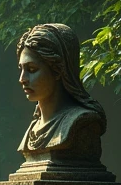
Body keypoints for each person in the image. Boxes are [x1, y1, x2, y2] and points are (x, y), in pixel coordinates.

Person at [16, 23, 107, 161]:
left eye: (32, 69)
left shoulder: (81, 123)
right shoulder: (33, 128)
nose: (22, 79)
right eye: (21, 69)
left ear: (57, 70)